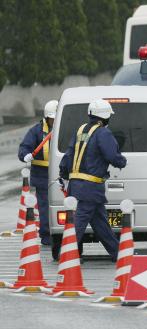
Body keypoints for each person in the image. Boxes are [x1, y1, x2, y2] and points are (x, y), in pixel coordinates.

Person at [59, 99, 127, 261]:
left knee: (100, 223)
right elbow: (112, 155)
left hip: (77, 185)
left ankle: (118, 254)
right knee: (79, 222)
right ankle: (67, 255)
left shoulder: (81, 130)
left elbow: (68, 155)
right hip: (90, 186)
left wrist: (63, 174)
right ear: (104, 116)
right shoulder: (103, 133)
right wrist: (121, 161)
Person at [18, 100, 58, 245]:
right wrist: (25, 155)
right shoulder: (36, 131)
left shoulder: (64, 129)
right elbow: (24, 148)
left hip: (60, 174)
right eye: (52, 119)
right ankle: (47, 235)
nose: (54, 121)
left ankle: (65, 232)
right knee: (44, 207)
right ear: (47, 118)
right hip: (42, 176)